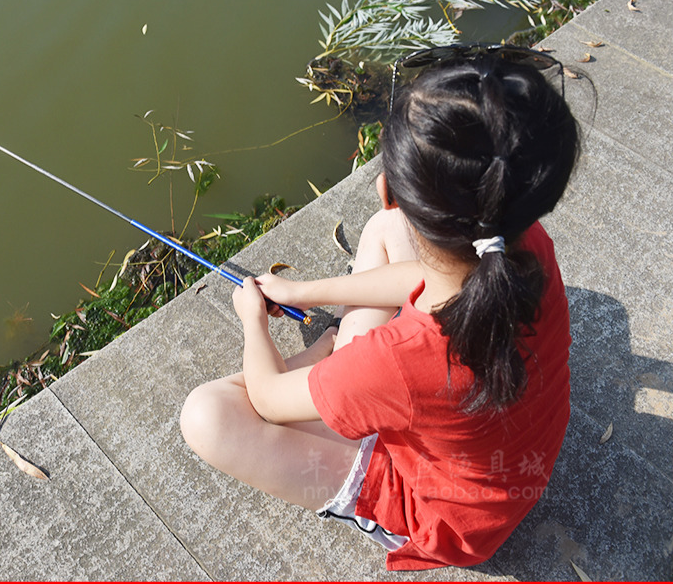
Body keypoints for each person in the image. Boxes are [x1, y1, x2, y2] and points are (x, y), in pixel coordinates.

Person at [179, 43, 581, 571]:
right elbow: (426, 272)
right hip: (515, 460)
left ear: (388, 187)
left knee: (208, 416)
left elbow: (271, 402)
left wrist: (254, 322)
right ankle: (334, 362)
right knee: (384, 232)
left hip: (449, 520)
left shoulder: (396, 363)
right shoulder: (520, 243)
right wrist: (301, 293)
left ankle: (330, 367)